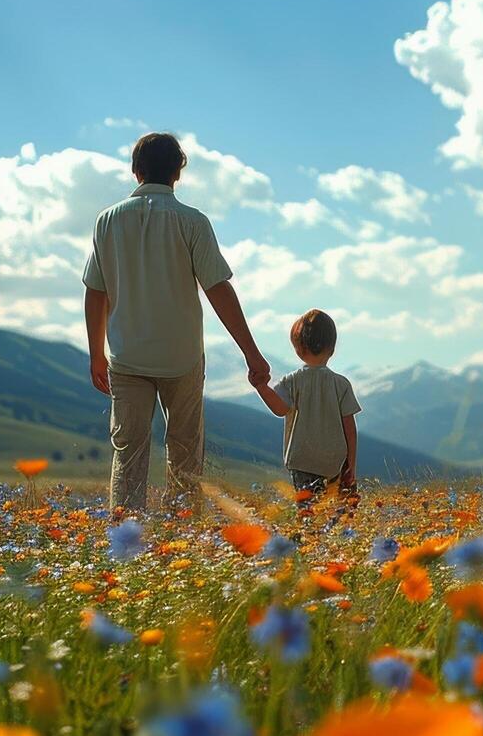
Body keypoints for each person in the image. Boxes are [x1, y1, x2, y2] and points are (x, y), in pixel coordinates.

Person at [82, 132, 271, 511]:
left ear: (136, 171)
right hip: (181, 357)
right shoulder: (193, 222)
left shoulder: (108, 221)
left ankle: (126, 544)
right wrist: (252, 353)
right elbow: (218, 289)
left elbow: (96, 292)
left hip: (127, 356)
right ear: (177, 173)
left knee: (129, 455)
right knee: (185, 455)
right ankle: (182, 537)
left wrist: (96, 354)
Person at [251, 309, 360, 497]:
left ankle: (309, 525)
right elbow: (349, 429)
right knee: (337, 510)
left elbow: (279, 409)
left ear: (298, 349)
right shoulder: (341, 384)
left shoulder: (292, 381)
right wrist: (350, 464)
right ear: (332, 349)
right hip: (334, 460)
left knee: (307, 508)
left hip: (302, 459)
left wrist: (261, 387)